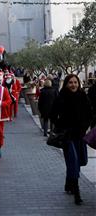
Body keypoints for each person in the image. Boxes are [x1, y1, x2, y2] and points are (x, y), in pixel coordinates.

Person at [50, 74, 92, 205]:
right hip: (67, 136)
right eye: (70, 82)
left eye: (75, 82)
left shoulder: (83, 96)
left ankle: (68, 183)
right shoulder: (61, 97)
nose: (73, 85)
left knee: (81, 161)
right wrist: (61, 126)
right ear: (66, 84)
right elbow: (52, 115)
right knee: (73, 162)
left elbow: (89, 113)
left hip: (80, 135)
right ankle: (76, 192)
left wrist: (85, 126)